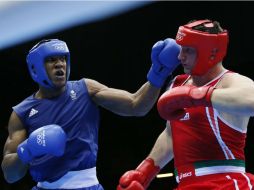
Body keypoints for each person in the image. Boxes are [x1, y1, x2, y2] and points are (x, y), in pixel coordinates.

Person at [1, 37, 181, 190]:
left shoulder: (85, 89)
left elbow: (136, 105)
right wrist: (28, 149)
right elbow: (10, 174)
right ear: (35, 68)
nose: (59, 64)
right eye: (51, 60)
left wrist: (159, 72)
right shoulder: (22, 112)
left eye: (63, 59)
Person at [117, 19, 254, 190]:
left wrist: (200, 95)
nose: (180, 56)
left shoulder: (229, 82)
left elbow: (251, 101)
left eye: (188, 50)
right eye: (181, 48)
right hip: (185, 184)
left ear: (209, 52)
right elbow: (170, 134)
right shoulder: (177, 84)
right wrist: (146, 171)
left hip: (225, 182)